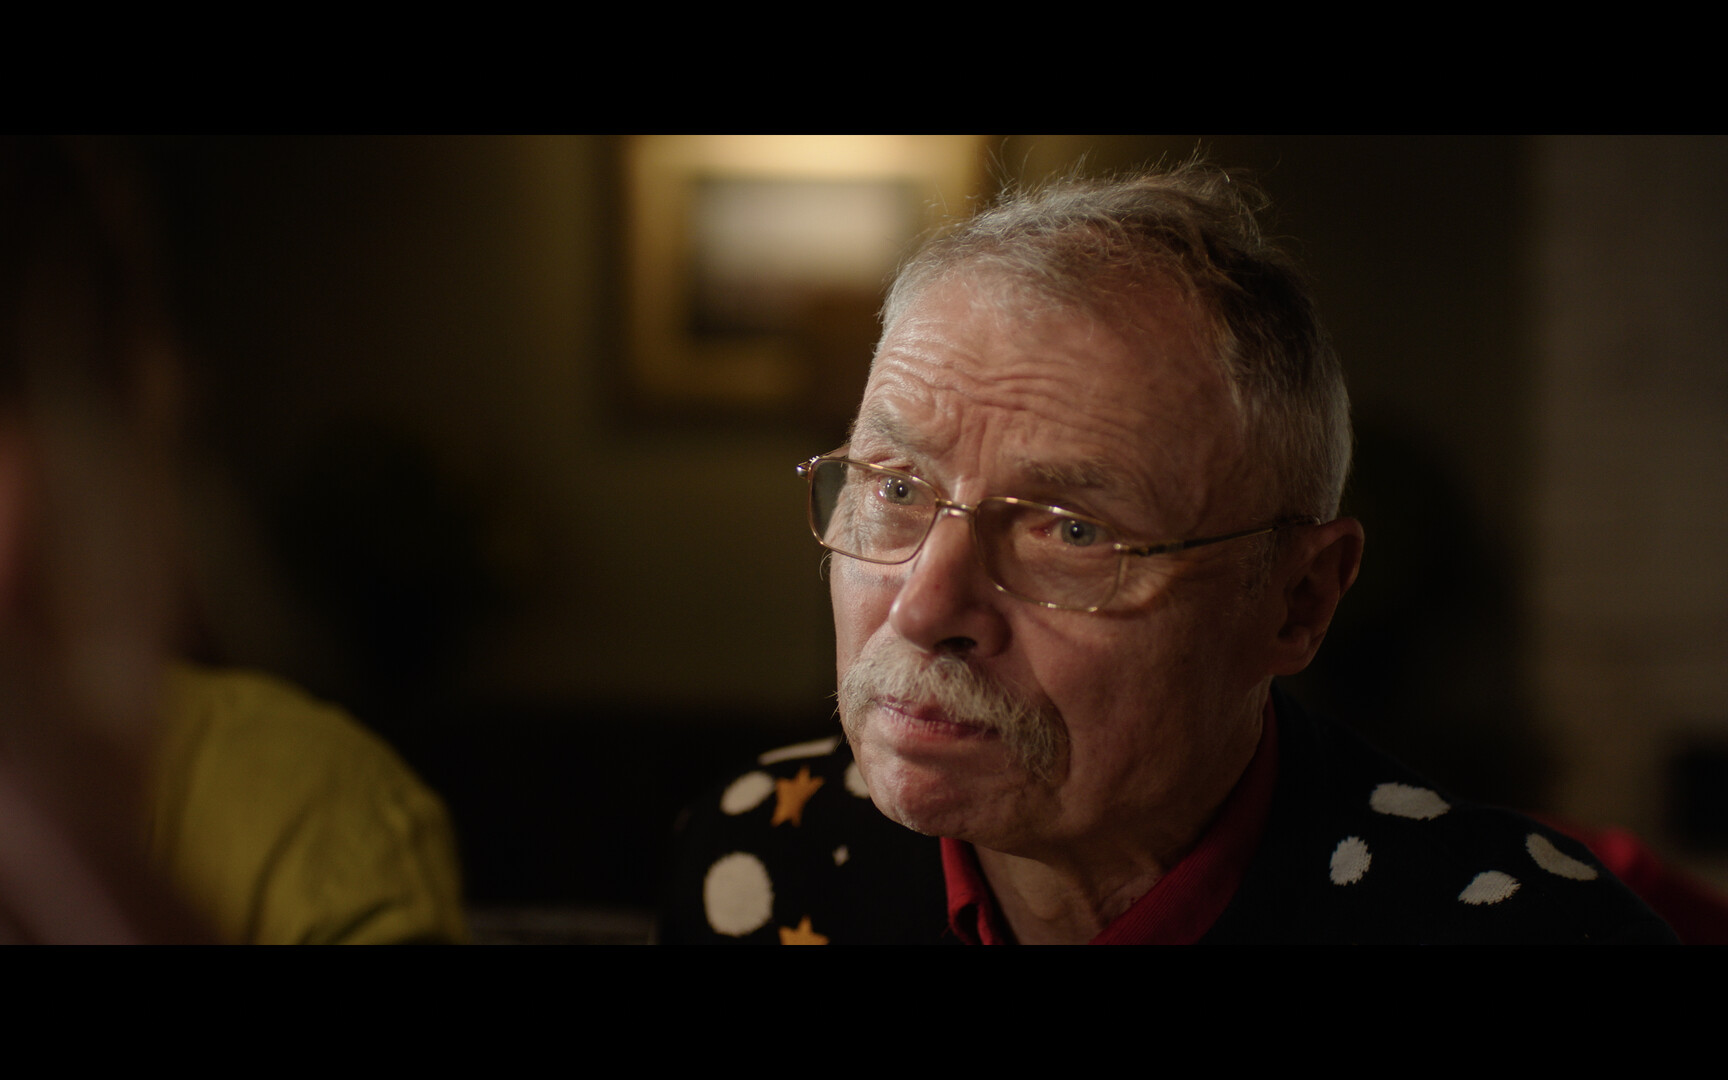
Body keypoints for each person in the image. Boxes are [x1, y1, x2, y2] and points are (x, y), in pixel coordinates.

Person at [663, 165, 1674, 944]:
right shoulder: (765, 857)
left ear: (1299, 599)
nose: (925, 608)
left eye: (1070, 529)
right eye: (894, 488)